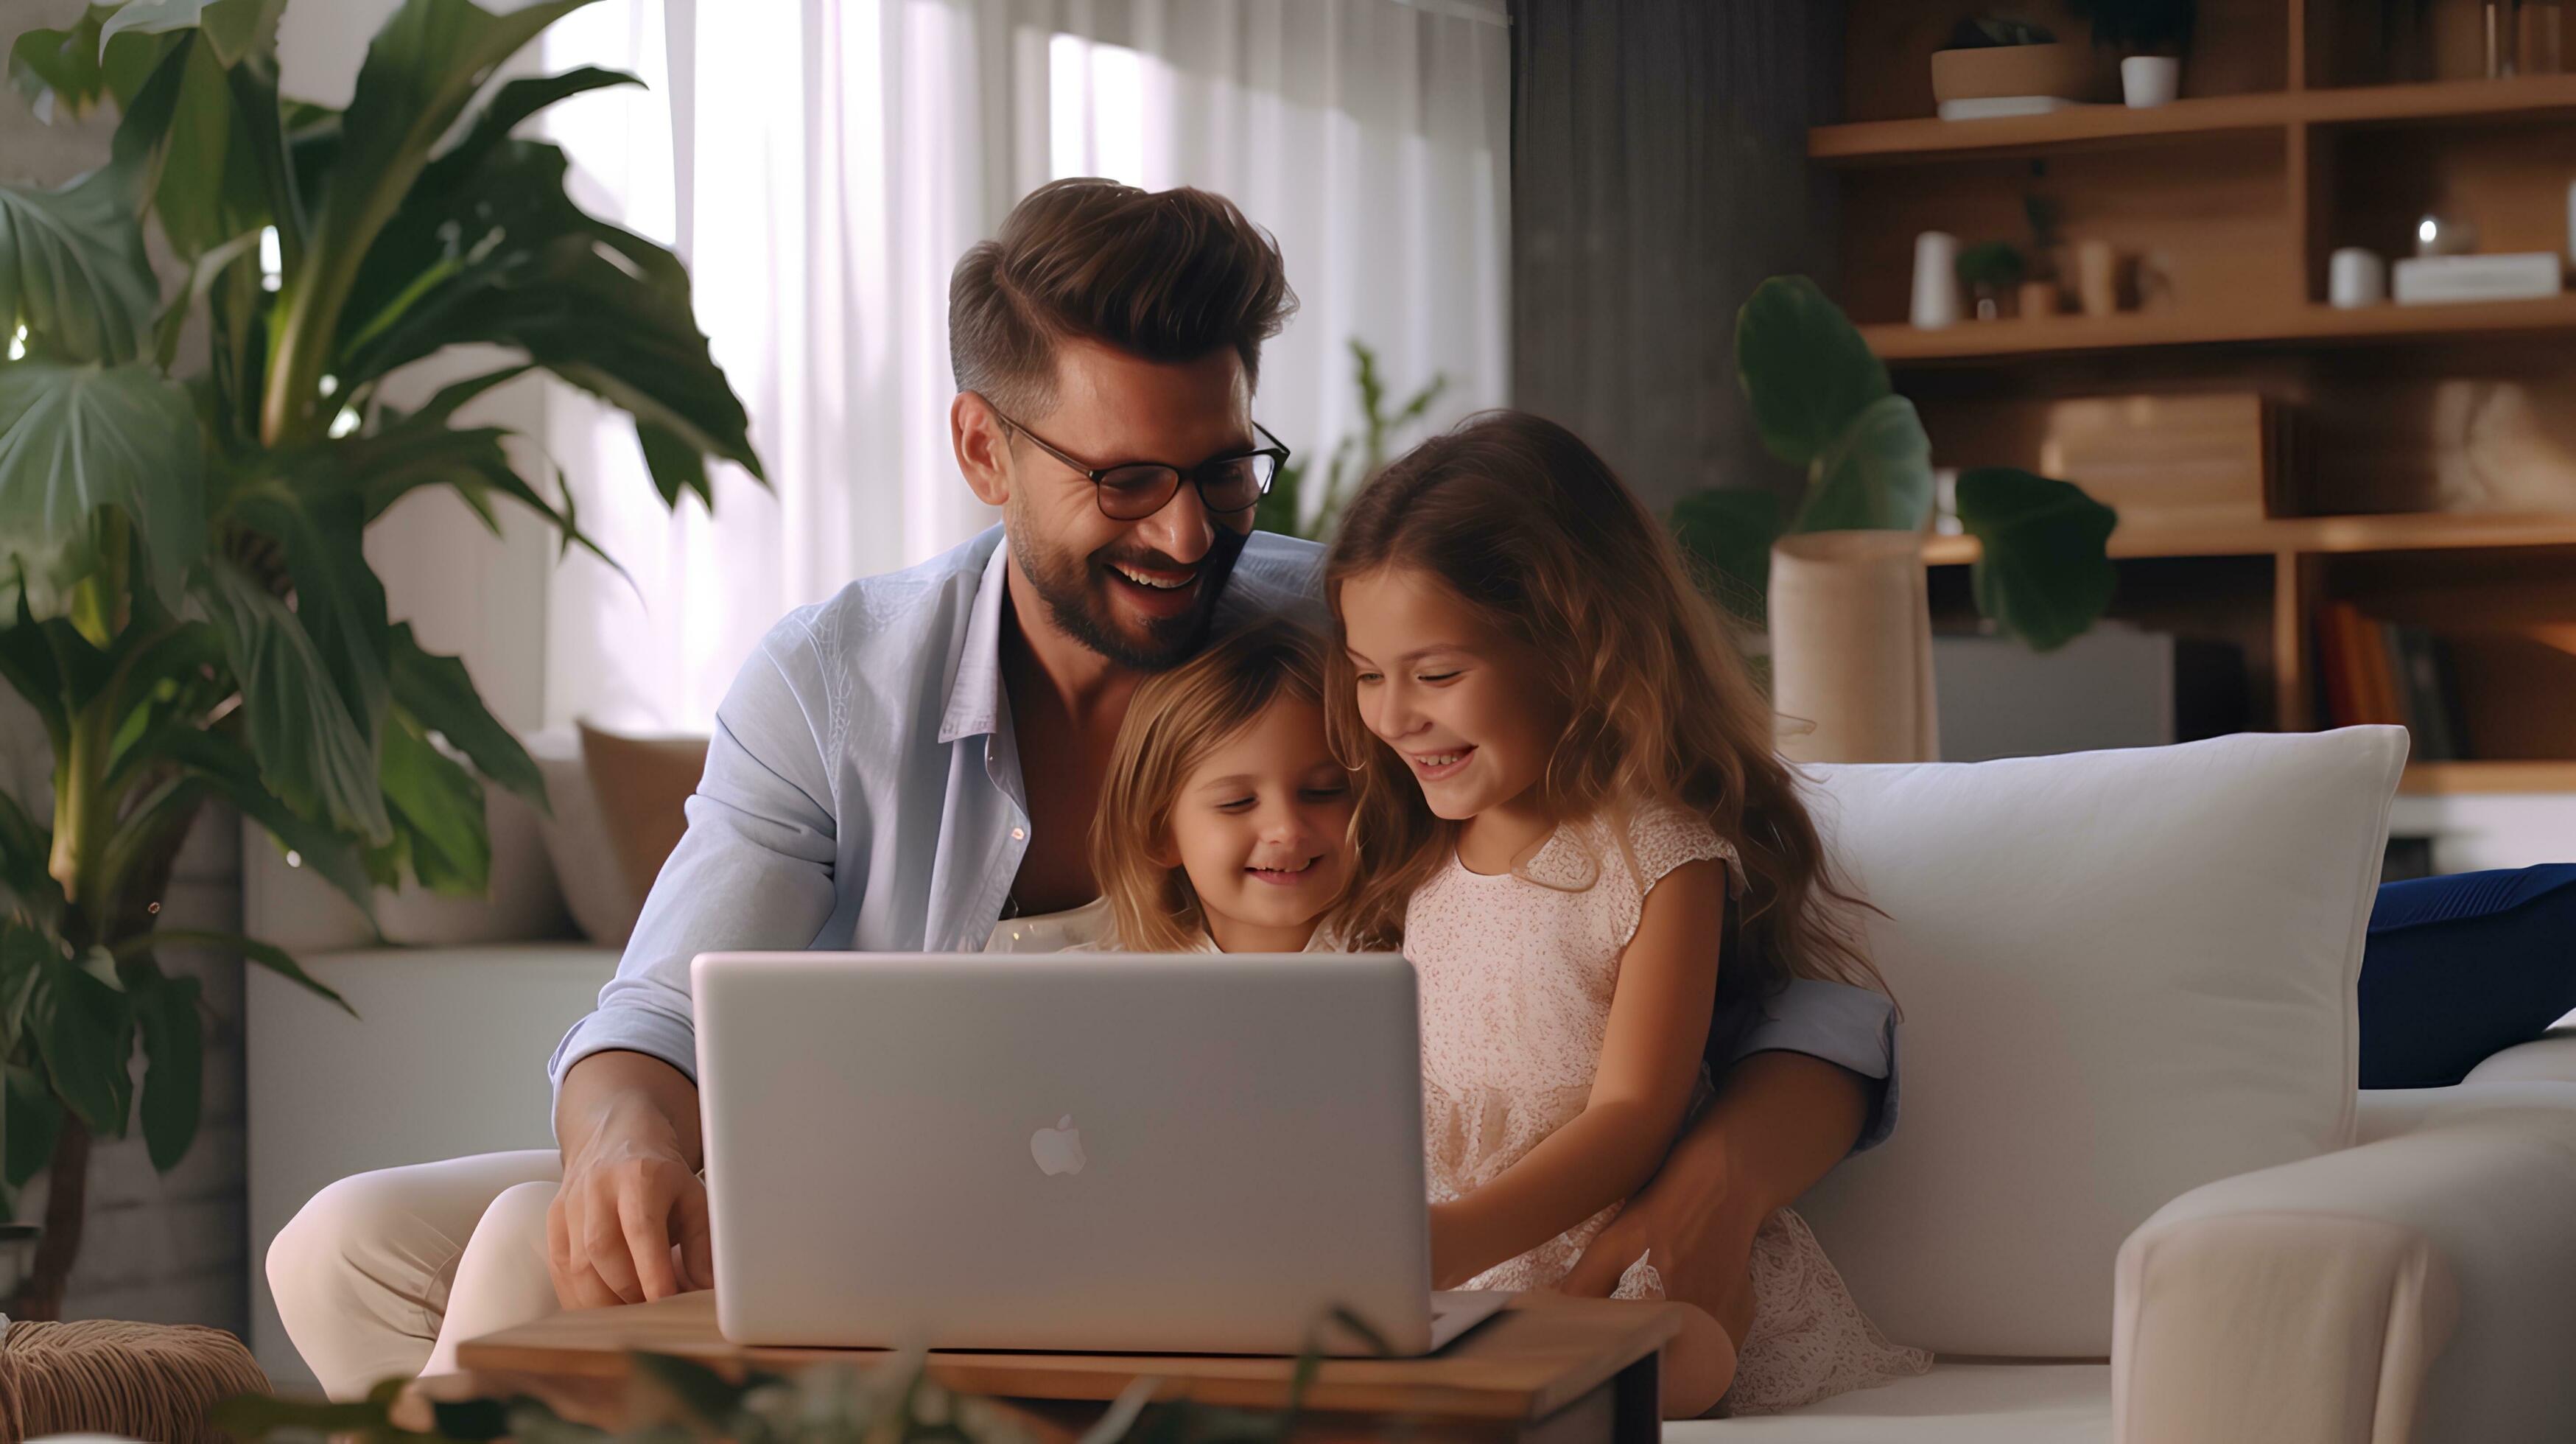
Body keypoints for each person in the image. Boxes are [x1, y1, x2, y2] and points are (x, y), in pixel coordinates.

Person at [266, 179, 1900, 1401]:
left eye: (1220, 468)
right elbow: (654, 1017)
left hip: (1162, 1236)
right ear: (983, 450)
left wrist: (1707, 1185)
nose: (1188, 535)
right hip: (871, 1212)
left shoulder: (1366, 645)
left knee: (496, 1278)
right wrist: (624, 1134)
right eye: (1122, 479)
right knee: (346, 1242)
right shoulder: (834, 679)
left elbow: (1789, 982)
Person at [1329, 411, 1927, 1416]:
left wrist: (1462, 1235)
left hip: (1596, 1244)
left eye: (1436, 675)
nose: (1391, 716)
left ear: (1575, 645)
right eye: (1364, 676)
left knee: (1671, 1345)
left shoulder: (1653, 856)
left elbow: (1632, 1115)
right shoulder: (1412, 863)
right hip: (1451, 1260)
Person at [1073, 619, 1389, 955]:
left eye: (1322, 792)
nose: (1286, 828)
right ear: (1159, 833)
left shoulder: (1419, 958)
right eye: (1237, 802)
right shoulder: (1098, 988)